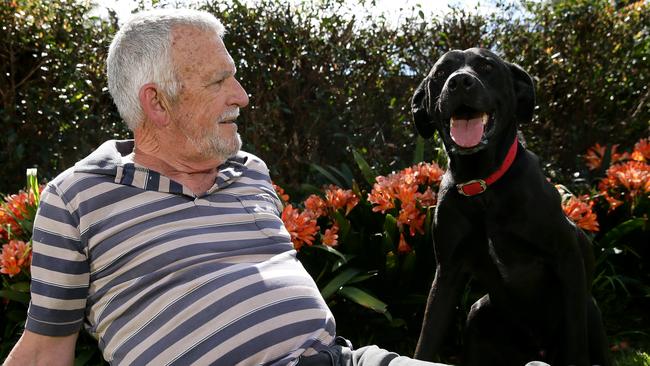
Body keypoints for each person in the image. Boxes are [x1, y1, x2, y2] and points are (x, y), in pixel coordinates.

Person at [3, 9, 449, 366]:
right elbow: (44, 350)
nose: (242, 96)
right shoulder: (78, 198)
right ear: (157, 102)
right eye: (219, 81)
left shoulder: (250, 170)